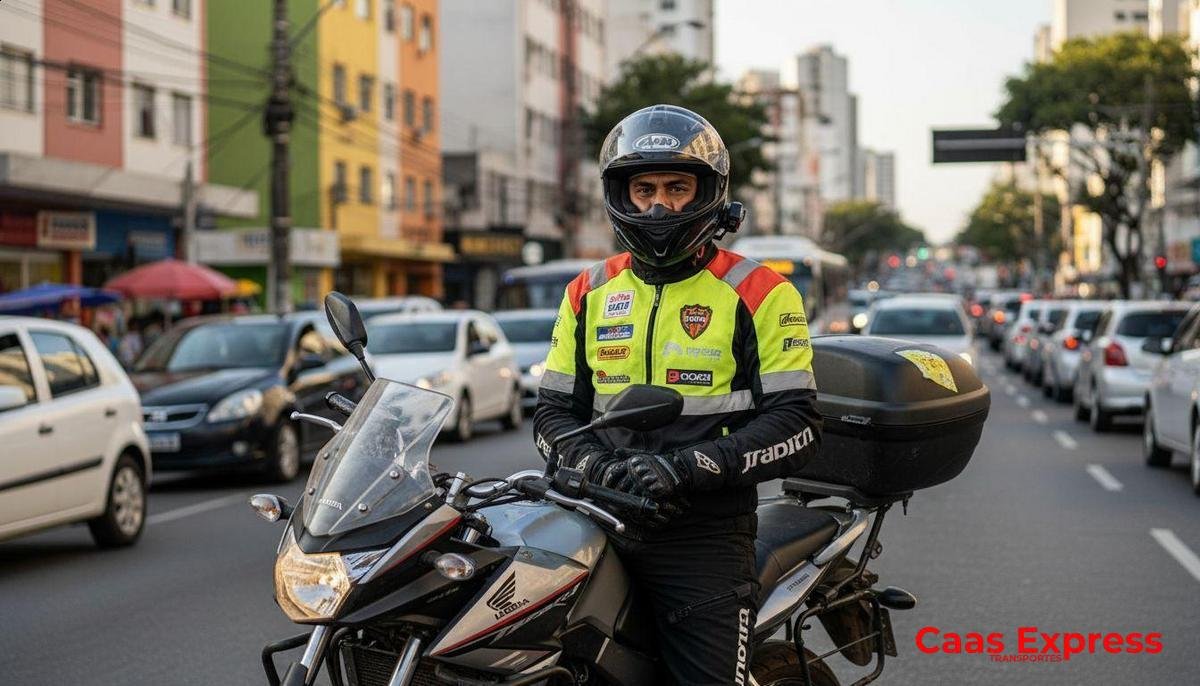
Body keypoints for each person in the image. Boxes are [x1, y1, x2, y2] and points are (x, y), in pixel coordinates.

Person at [533, 104, 823, 685]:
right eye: (643, 188)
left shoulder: (761, 292)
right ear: (621, 193)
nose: (659, 205)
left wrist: (691, 467)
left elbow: (798, 423)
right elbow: (552, 413)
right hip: (591, 516)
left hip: (702, 532)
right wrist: (589, 461)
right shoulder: (588, 291)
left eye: (676, 186)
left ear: (708, 193)